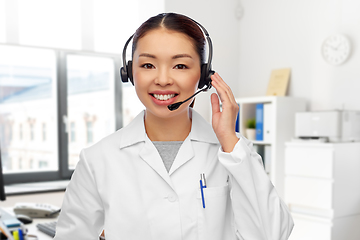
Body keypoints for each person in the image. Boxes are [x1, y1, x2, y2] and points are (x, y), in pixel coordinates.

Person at [54, 12, 294, 240]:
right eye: (148, 65)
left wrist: (230, 142)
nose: (163, 79)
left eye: (180, 66)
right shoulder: (98, 160)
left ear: (202, 76)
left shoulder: (234, 153)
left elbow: (272, 234)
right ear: (129, 72)